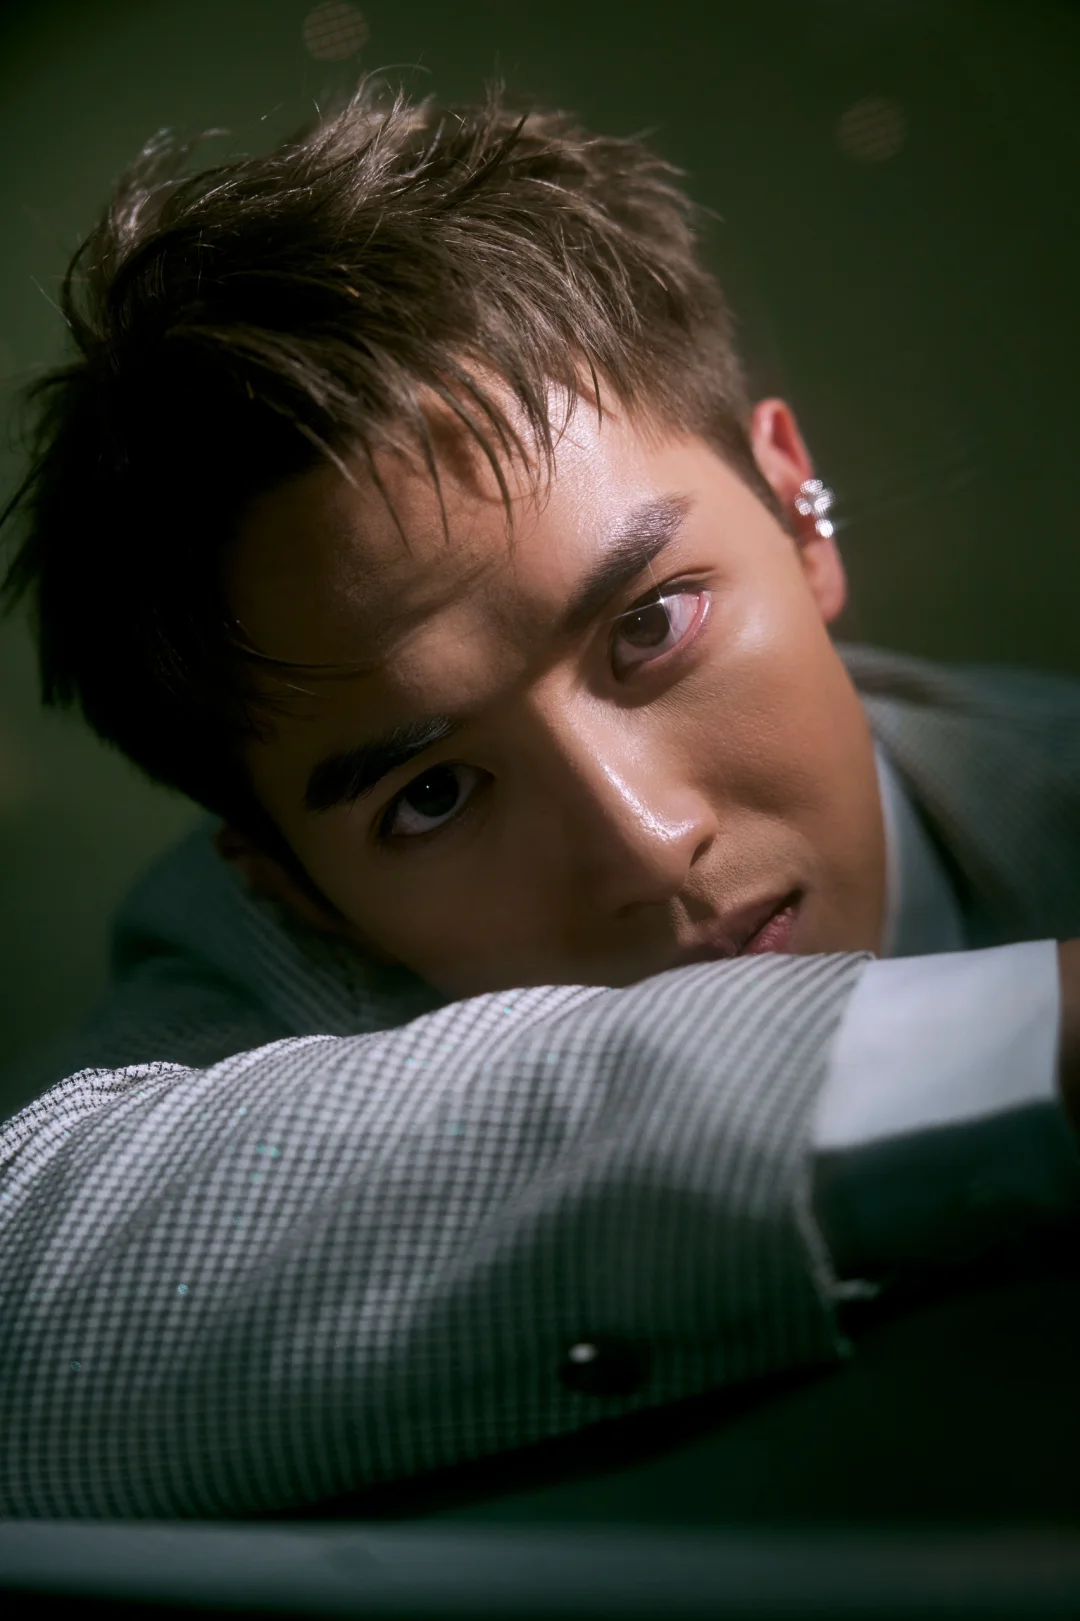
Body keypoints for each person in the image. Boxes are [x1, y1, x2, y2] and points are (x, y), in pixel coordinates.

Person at [0, 85, 1078, 1520]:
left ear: (796, 505)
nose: (646, 845)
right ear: (290, 885)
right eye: (435, 795)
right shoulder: (254, 969)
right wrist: (1031, 1036)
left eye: (652, 627)